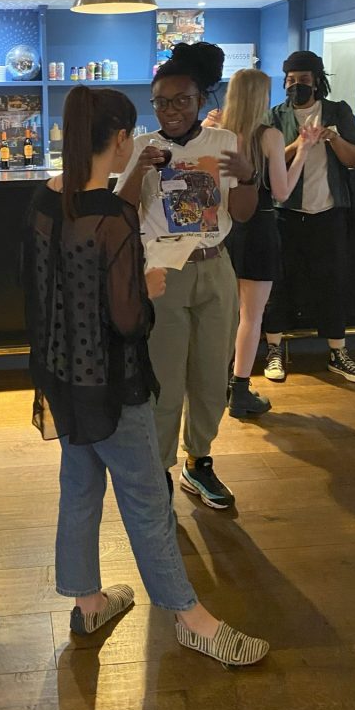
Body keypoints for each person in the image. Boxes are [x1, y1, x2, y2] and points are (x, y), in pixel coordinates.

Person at [21, 85, 269, 667]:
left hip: (61, 375)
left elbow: (37, 289)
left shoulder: (44, 200)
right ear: (122, 138)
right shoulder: (111, 219)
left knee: (79, 488)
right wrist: (149, 290)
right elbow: (129, 319)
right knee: (146, 501)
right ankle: (190, 616)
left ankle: (87, 602)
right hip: (110, 381)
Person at [116, 43, 258, 510]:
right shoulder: (141, 147)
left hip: (215, 266)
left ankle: (200, 461)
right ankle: (159, 468)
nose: (171, 109)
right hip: (163, 272)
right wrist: (140, 167)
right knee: (165, 376)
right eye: (161, 101)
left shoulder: (225, 143)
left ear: (201, 100)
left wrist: (248, 175)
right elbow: (120, 213)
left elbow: (243, 212)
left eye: (182, 99)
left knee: (211, 372)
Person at [208, 69, 322, 415]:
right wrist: (303, 148)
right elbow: (283, 191)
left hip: (221, 228)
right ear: (260, 97)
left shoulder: (213, 132)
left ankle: (213, 383)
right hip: (258, 228)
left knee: (221, 314)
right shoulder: (268, 135)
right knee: (251, 317)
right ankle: (239, 391)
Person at [262, 50, 355, 384]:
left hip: (329, 212)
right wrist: (300, 143)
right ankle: (274, 350)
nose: (298, 87)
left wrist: (332, 137)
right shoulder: (276, 116)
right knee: (277, 282)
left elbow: (354, 159)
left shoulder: (338, 112)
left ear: (318, 81)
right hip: (286, 214)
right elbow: (268, 162)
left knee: (333, 282)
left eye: (304, 80)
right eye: (292, 81)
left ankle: (338, 352)